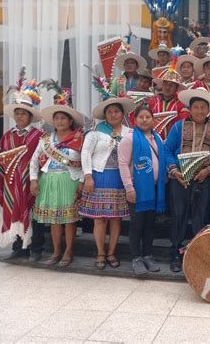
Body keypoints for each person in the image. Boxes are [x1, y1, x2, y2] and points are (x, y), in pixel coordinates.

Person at [165, 87, 210, 272]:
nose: (199, 111)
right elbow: (167, 150)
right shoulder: (178, 127)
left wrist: (208, 170)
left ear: (208, 109)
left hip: (204, 179)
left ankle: (197, 252)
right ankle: (175, 252)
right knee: (179, 215)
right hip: (180, 178)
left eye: (202, 107)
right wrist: (175, 171)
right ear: (190, 109)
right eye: (195, 107)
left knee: (200, 216)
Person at [79, 96, 135, 269]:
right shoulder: (96, 132)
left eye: (116, 111)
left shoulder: (130, 133)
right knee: (100, 219)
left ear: (122, 113)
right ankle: (100, 253)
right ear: (105, 115)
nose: (113, 114)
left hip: (120, 178)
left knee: (116, 219)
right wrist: (88, 176)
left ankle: (111, 253)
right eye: (109, 112)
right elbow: (85, 153)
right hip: (99, 177)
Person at [30, 99, 85, 267]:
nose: (59, 121)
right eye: (57, 118)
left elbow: (85, 162)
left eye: (63, 118)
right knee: (53, 219)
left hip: (69, 181)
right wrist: (33, 180)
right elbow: (34, 161)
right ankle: (56, 252)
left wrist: (82, 181)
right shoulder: (46, 140)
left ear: (70, 121)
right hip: (49, 181)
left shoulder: (79, 139)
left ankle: (68, 252)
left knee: (69, 219)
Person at [0, 78, 44, 260]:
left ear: (30, 116)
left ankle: (36, 249)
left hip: (32, 183)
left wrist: (36, 178)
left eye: (24, 113)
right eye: (18, 113)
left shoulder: (39, 136)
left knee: (34, 215)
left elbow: (43, 158)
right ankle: (18, 247)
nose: (20, 116)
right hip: (11, 182)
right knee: (13, 211)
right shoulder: (8, 136)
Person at [118, 104, 167, 275]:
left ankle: (148, 255)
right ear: (135, 119)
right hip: (137, 189)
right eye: (141, 117)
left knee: (149, 225)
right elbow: (123, 163)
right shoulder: (129, 139)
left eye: (148, 117)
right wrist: (129, 188)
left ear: (153, 120)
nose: (145, 120)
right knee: (137, 225)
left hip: (154, 189)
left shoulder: (158, 138)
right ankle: (136, 257)